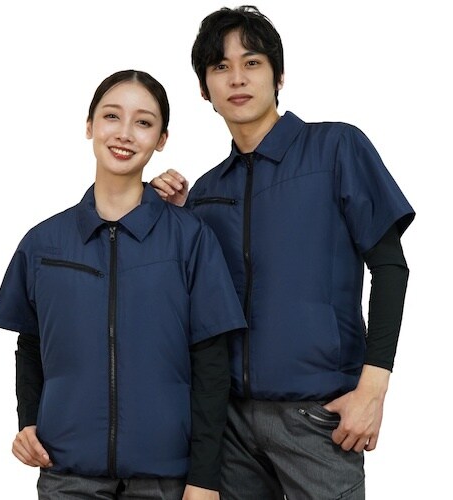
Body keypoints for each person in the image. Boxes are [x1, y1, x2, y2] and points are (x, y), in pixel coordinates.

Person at [150, 6, 415, 500]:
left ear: (279, 75)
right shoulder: (206, 191)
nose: (237, 78)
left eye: (251, 62)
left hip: (318, 419)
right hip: (229, 428)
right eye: (220, 67)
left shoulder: (336, 148)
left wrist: (373, 391)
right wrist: (170, 215)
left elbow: (391, 268)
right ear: (205, 90)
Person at [0, 69, 247, 500]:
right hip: (66, 474)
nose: (125, 133)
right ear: (89, 125)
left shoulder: (190, 238)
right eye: (112, 116)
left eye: (143, 122)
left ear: (162, 139)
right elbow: (31, 344)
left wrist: (204, 478)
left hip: (166, 479)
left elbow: (212, 364)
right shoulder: (42, 243)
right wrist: (28, 421)